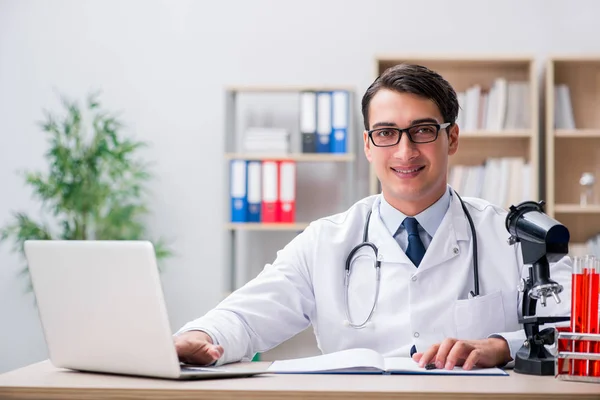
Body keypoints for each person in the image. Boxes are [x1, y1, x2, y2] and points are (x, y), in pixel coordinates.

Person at [174, 64, 572, 371]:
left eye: (422, 130)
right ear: (368, 144)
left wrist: (504, 345)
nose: (404, 152)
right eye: (386, 133)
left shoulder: (510, 235)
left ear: (452, 138)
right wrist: (199, 337)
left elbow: (585, 325)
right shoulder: (325, 242)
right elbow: (243, 318)